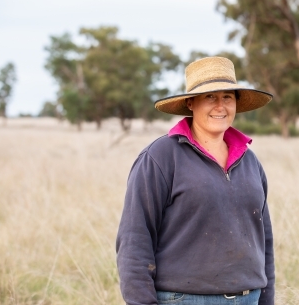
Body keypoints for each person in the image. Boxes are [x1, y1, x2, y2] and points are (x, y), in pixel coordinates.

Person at [116, 56, 275, 305]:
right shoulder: (160, 157)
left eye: (227, 97)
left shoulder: (250, 161)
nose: (220, 106)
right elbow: (135, 239)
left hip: (248, 298)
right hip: (183, 299)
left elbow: (264, 240)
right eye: (210, 96)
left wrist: (266, 299)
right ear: (191, 102)